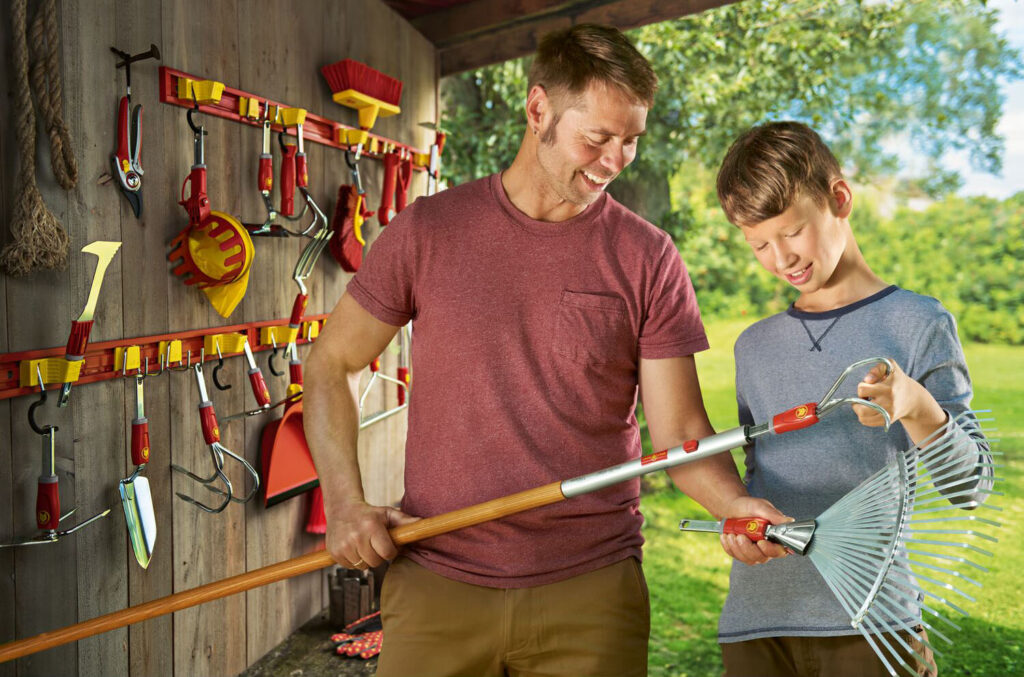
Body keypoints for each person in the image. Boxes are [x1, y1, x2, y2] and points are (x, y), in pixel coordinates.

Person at [305, 23, 788, 677]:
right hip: (436, 580)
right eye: (599, 137)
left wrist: (733, 504)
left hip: (590, 591)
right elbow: (330, 363)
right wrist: (345, 501)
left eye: (631, 141)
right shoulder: (428, 230)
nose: (616, 160)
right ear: (539, 111)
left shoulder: (647, 258)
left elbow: (681, 433)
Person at [713, 120, 994, 677]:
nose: (780, 259)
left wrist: (917, 405)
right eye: (758, 244)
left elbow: (972, 488)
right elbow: (756, 479)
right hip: (756, 624)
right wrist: (735, 521)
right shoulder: (754, 346)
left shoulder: (918, 323)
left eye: (792, 232)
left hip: (873, 626)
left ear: (839, 198)